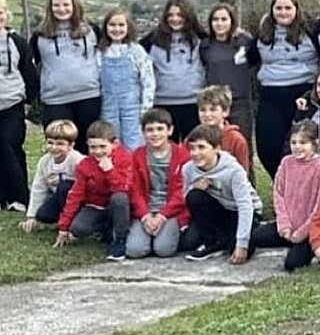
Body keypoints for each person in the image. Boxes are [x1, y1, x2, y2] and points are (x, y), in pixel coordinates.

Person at [255, 0, 320, 179]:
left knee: (302, 144)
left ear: (296, 9)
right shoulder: (263, 34)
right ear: (272, 10)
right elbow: (245, 56)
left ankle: (302, 185)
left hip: (302, 94)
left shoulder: (312, 31)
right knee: (267, 148)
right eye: (278, 8)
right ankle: (281, 184)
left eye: (287, 8)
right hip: (271, 95)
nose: (283, 12)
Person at [250, 121, 320, 271]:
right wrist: (284, 225)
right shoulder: (286, 163)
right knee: (256, 236)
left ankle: (315, 244)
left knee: (292, 264)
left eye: (303, 143)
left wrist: (301, 233)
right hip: (288, 225)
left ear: (315, 143)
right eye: (294, 142)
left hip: (309, 229)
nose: (297, 147)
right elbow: (278, 194)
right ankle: (289, 239)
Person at [32, 0, 101, 153]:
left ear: (75, 5)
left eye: (66, 4)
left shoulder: (92, 29)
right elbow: (33, 64)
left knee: (88, 149)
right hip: (55, 100)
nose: (61, 9)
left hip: (89, 97)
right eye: (56, 5)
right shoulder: (39, 35)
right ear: (50, 8)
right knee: (59, 150)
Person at [54, 119, 132, 261]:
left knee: (119, 197)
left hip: (118, 206)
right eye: (93, 147)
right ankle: (105, 228)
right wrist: (63, 227)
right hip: (96, 206)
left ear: (114, 144)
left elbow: (124, 188)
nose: (98, 151)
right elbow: (75, 195)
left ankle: (120, 239)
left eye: (102, 146)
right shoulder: (84, 165)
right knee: (77, 228)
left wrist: (109, 170)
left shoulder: (125, 158)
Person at [182, 124, 261, 263]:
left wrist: (242, 243)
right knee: (193, 197)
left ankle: (232, 237)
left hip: (241, 211)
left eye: (201, 147)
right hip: (219, 210)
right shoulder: (188, 169)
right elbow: (186, 197)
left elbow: (245, 205)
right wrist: (194, 187)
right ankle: (213, 242)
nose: (195, 153)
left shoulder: (233, 170)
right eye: (192, 148)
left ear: (217, 148)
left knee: (241, 249)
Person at [126, 108, 191, 259]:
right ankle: (145, 235)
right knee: (135, 250)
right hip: (146, 210)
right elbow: (134, 190)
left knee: (163, 250)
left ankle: (173, 233)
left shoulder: (182, 155)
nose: (155, 134)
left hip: (170, 211)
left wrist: (162, 216)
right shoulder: (136, 155)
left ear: (170, 130)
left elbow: (182, 191)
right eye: (150, 130)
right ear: (143, 132)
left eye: (160, 129)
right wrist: (145, 216)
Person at [141, 0, 206, 140]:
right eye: (170, 15)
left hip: (193, 103)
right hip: (162, 103)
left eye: (179, 15)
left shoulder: (201, 39)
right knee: (166, 149)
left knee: (194, 147)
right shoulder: (151, 41)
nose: (175, 19)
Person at [94, 7, 155, 150]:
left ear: (128, 27)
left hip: (133, 109)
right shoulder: (100, 52)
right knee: (110, 144)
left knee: (133, 145)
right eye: (112, 25)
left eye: (121, 25)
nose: (117, 29)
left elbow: (148, 81)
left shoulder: (136, 51)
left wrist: (146, 109)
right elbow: (96, 81)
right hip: (107, 108)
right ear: (105, 27)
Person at [199, 3, 258, 146]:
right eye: (215, 19)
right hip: (214, 104)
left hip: (240, 102)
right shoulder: (205, 45)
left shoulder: (245, 41)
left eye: (224, 19)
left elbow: (254, 61)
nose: (219, 23)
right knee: (214, 143)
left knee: (242, 142)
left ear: (232, 21)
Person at [0, 0, 36, 214]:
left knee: (10, 146)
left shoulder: (17, 42)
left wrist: (29, 101)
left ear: (6, 14)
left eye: (0, 12)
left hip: (12, 103)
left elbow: (29, 72)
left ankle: (20, 196)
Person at [20, 119, 83, 232]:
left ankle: (73, 220)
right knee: (42, 215)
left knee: (64, 185)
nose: (54, 147)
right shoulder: (44, 161)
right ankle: (58, 219)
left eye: (60, 144)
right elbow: (38, 187)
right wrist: (31, 216)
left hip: (78, 199)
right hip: (57, 197)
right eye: (50, 143)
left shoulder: (78, 160)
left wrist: (62, 180)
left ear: (71, 145)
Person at [196, 85, 251, 176]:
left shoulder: (236, 139)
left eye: (213, 110)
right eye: (203, 110)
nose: (207, 114)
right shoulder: (194, 138)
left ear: (225, 111)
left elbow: (243, 172)